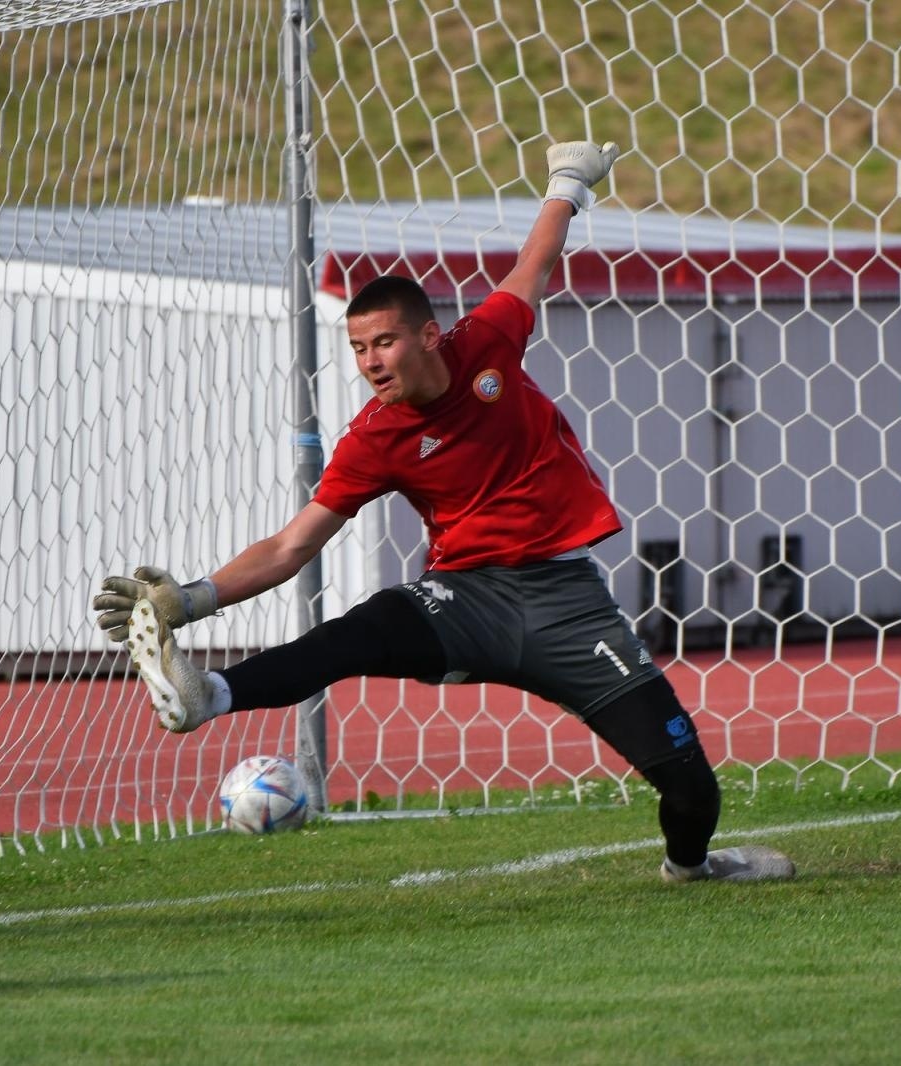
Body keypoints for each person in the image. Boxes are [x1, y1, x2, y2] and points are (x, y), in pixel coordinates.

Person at [94, 141, 794, 884]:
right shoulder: (373, 438)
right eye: (359, 348)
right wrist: (190, 600)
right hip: (466, 599)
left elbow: (534, 263)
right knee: (358, 633)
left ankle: (691, 867)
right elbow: (291, 547)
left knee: (689, 786)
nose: (370, 361)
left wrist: (568, 182)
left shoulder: (488, 343)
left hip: (569, 607)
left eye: (384, 342)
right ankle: (210, 696)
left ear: (429, 336)